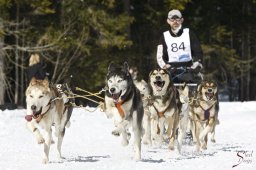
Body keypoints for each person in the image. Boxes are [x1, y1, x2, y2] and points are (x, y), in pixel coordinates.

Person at [156, 9, 203, 83]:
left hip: (188, 70)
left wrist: (196, 65)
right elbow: (160, 56)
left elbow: (198, 52)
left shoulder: (189, 34)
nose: (175, 22)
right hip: (171, 71)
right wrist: (166, 67)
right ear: (168, 21)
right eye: (172, 19)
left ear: (182, 20)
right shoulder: (164, 36)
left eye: (177, 19)